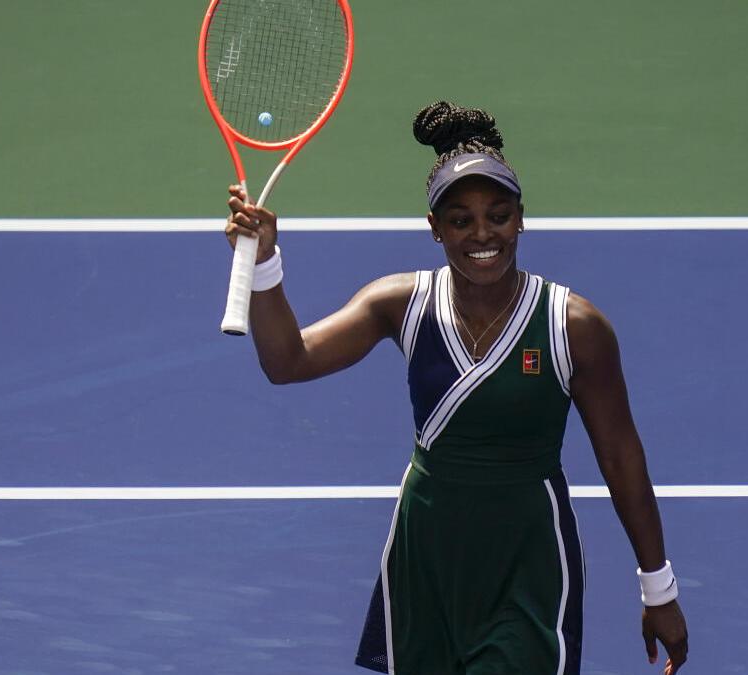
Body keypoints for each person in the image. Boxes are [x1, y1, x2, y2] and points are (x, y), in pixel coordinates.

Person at [224, 101, 689, 675]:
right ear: (435, 228)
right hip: (428, 556)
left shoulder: (574, 326)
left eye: (498, 215)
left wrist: (658, 588)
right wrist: (265, 264)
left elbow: (621, 457)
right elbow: (288, 361)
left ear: (521, 218)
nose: (482, 233)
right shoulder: (400, 302)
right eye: (461, 219)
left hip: (528, 560)